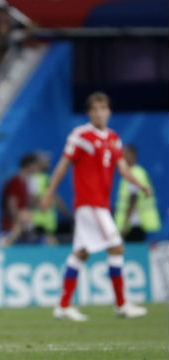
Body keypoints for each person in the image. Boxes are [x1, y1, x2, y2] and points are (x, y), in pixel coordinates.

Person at [41, 92, 150, 321]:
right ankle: (121, 304)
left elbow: (122, 168)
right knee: (117, 247)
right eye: (95, 108)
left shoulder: (113, 138)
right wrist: (50, 192)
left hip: (100, 204)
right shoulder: (81, 135)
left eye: (103, 108)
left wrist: (140, 185)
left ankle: (62, 306)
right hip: (90, 204)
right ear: (89, 112)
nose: (99, 112)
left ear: (109, 111)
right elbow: (63, 165)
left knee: (80, 253)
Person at [114, 145, 161, 242]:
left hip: (134, 224)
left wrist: (125, 225)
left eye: (124, 154)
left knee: (131, 253)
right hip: (135, 224)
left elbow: (133, 199)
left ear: (132, 154)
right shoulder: (136, 172)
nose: (121, 157)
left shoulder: (134, 173)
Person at [0, 154, 37, 247]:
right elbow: (12, 205)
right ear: (29, 166)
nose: (37, 168)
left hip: (23, 225)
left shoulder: (28, 182)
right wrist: (20, 220)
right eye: (35, 165)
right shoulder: (15, 182)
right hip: (11, 227)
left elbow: (29, 204)